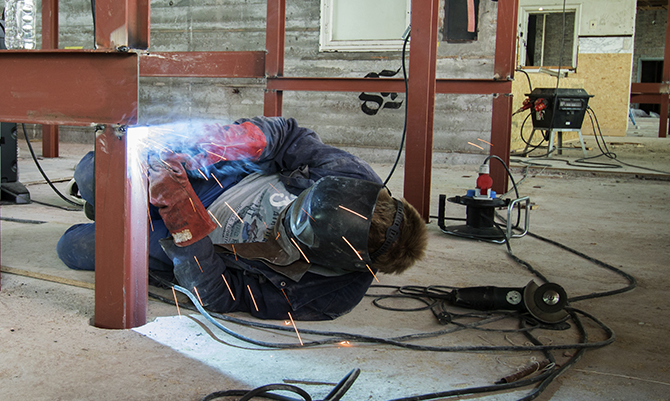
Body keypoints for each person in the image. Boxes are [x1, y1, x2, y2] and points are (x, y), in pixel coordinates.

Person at [56, 117, 427, 321]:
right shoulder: (354, 180)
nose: (286, 217)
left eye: (296, 228)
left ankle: (126, 214)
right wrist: (225, 144)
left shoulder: (327, 297)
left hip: (197, 241)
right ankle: (113, 205)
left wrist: (183, 219)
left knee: (72, 248)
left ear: (333, 255)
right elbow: (287, 135)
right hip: (217, 182)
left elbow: (217, 296)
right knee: (92, 171)